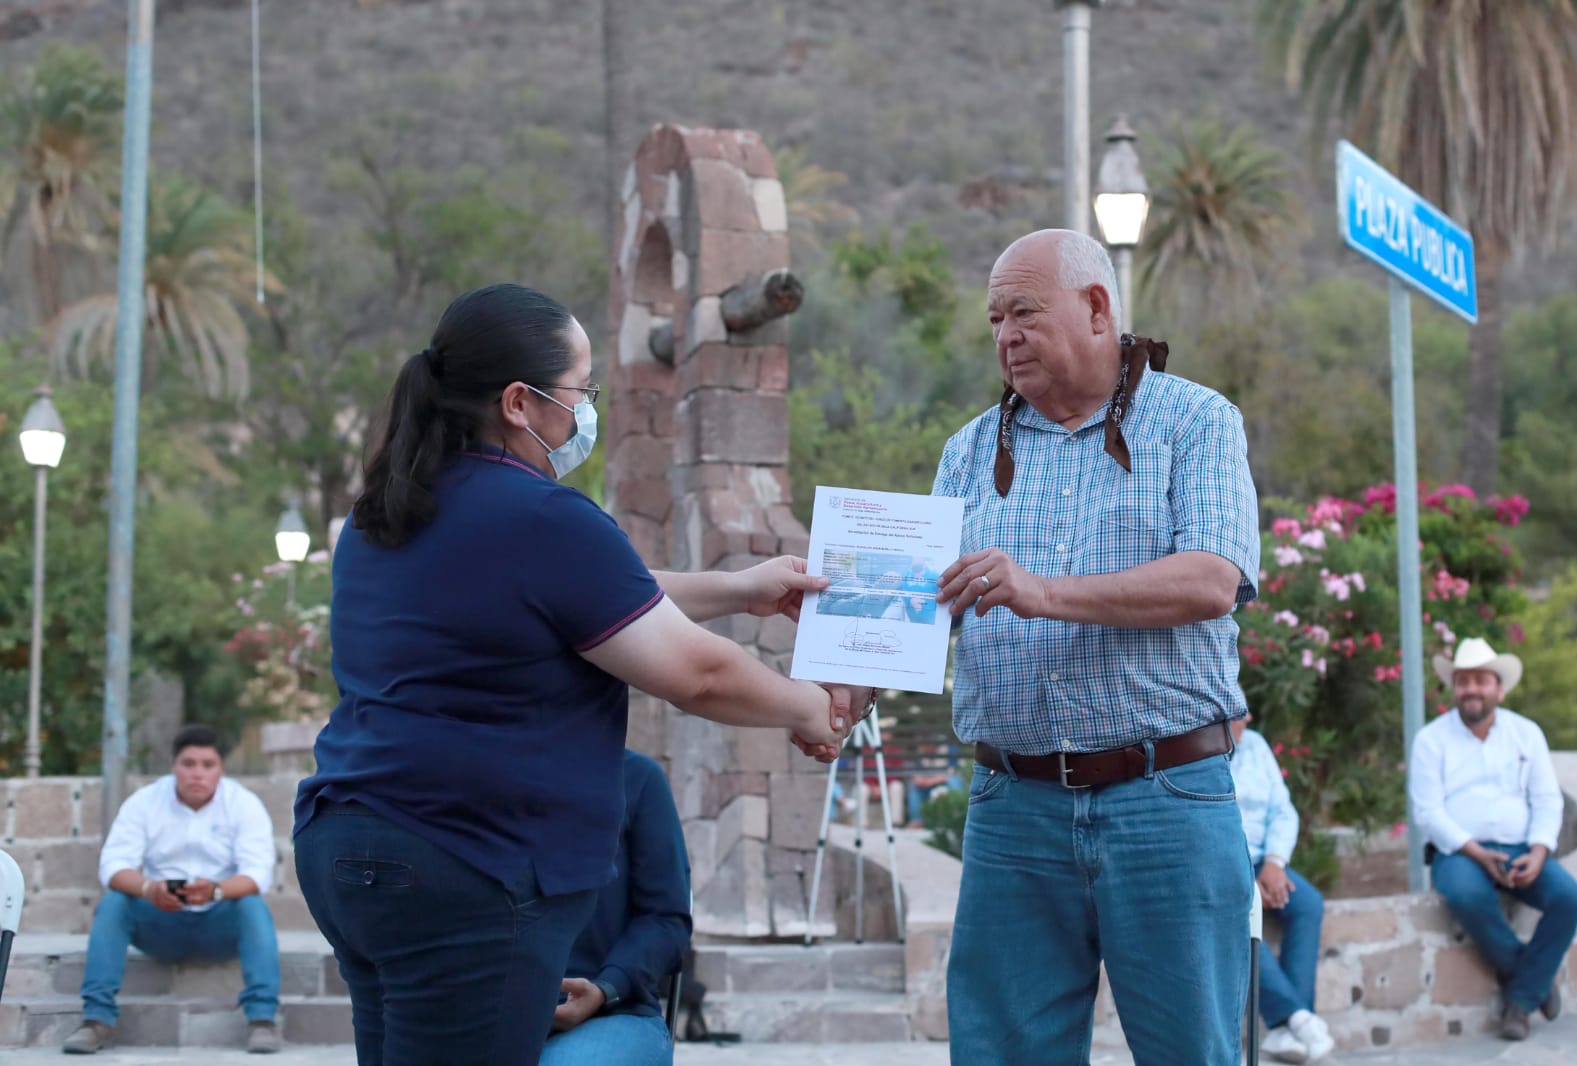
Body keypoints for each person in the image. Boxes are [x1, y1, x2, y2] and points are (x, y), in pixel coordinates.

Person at [292, 283, 862, 1066]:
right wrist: (805, 706)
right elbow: (694, 673)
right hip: (470, 862)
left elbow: (586, 596)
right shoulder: (541, 517)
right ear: (520, 403)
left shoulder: (389, 512)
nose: (586, 411)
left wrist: (737, 590)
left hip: (351, 846)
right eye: (581, 391)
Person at [932, 229, 1261, 1065]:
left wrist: (1043, 595)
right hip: (1012, 806)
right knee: (1000, 1054)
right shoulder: (968, 451)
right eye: (996, 318)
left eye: (1025, 313)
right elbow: (921, 600)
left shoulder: (1197, 421)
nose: (1005, 335)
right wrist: (846, 680)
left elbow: (1212, 579)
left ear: (1097, 308)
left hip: (1167, 798)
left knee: (1193, 1052)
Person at [64, 725, 281, 1055]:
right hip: (159, 922)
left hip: (219, 924)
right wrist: (149, 888)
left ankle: (263, 1020)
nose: (197, 773)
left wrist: (216, 891)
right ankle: (96, 1021)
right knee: (114, 903)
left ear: (220, 768)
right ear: (173, 765)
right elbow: (113, 866)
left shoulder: (243, 804)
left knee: (252, 903)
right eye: (188, 763)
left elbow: (257, 873)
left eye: (207, 765)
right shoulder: (145, 802)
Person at [1409, 637, 1577, 1042]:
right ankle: (1528, 985)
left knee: (1569, 899)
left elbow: (1546, 799)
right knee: (1467, 896)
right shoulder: (1431, 740)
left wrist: (1540, 851)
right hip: (1460, 852)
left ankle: (1521, 996)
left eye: (1480, 680)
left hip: (1523, 848)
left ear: (1498, 688)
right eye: (1462, 681)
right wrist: (1474, 850)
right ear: (1454, 688)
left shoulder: (1527, 734)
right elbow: (1428, 811)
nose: (1470, 688)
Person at [540, 750, 691, 1066]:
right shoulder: (469, 774)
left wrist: (606, 988)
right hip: (479, 1013)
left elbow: (665, 918)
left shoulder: (637, 777)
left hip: (609, 1012)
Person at [1228, 710, 1335, 1062]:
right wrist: (1246, 875)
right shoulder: (1199, 754)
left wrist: (1275, 863)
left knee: (1308, 904)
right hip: (1224, 864)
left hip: (1264, 859)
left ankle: (1283, 1028)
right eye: (1238, 713)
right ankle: (1297, 1018)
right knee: (1237, 911)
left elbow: (1283, 811)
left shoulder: (1256, 745)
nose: (1248, 718)